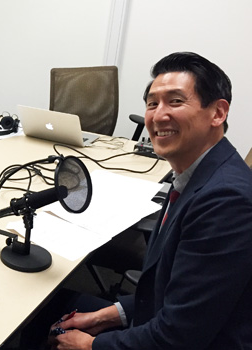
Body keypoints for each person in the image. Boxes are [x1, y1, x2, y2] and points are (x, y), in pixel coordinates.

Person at [28, 52, 252, 349]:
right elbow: (167, 289)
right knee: (47, 309)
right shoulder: (194, 173)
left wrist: (90, 346)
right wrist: (105, 316)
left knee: (33, 320)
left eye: (175, 101)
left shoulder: (226, 202)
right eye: (152, 103)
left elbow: (178, 337)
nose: (158, 115)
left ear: (218, 113)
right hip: (160, 319)